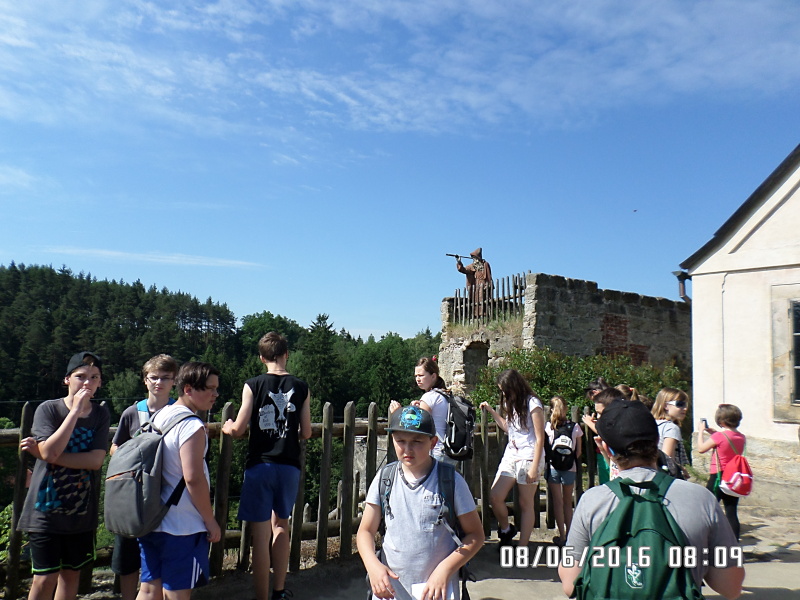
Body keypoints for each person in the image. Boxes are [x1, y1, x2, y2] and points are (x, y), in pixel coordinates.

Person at [558, 400, 744, 600]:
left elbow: (570, 584)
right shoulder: (700, 499)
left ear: (606, 447)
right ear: (656, 442)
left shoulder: (592, 501)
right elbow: (731, 587)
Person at [357, 405, 484, 600]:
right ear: (392, 440)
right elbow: (365, 531)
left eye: (417, 441)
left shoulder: (451, 481)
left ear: (433, 442)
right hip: (391, 591)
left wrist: (445, 569)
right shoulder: (385, 478)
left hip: (436, 591)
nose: (408, 449)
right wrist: (373, 566)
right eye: (401, 441)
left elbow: (475, 535)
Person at [222, 332, 312, 600]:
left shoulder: (253, 385)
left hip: (260, 464)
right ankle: (279, 591)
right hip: (289, 465)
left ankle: (261, 596)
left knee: (260, 536)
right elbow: (306, 432)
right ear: (287, 354)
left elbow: (239, 428)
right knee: (281, 525)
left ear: (262, 358)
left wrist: (228, 427)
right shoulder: (302, 387)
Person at [17, 351, 111, 600]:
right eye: (81, 376)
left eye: (94, 377)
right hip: (45, 511)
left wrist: (45, 454)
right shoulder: (49, 409)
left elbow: (95, 461)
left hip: (81, 513)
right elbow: (51, 451)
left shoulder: (100, 415)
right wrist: (75, 412)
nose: (87, 382)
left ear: (100, 382)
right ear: (67, 379)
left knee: (71, 576)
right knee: (44, 578)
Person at [137, 362, 222, 600]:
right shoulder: (191, 426)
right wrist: (210, 520)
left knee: (148, 589)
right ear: (188, 389)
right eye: (210, 388)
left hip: (152, 518)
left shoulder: (160, 416)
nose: (215, 394)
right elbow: (193, 478)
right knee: (177, 592)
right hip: (182, 526)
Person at [110, 354, 179, 600]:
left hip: (165, 493)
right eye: (154, 377)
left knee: (161, 552)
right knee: (128, 552)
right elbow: (115, 447)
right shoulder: (132, 412)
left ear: (174, 381)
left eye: (165, 378)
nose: (159, 382)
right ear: (145, 380)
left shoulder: (179, 412)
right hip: (133, 496)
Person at [479, 369, 545, 549]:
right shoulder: (512, 404)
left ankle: (522, 547)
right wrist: (492, 411)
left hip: (529, 456)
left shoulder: (533, 403)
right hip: (511, 455)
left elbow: (540, 437)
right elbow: (509, 428)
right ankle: (507, 530)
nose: (503, 393)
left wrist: (534, 467)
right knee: (495, 496)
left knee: (525, 503)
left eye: (504, 389)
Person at [391, 356, 455, 466]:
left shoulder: (429, 397)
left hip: (436, 452)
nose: (417, 379)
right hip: (448, 450)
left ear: (433, 376)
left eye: (421, 375)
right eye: (416, 376)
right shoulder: (444, 395)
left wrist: (397, 413)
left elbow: (417, 425)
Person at [696, 404, 746, 540]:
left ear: (721, 421)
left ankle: (704, 539)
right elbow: (727, 443)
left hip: (718, 476)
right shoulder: (741, 437)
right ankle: (734, 544)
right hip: (733, 478)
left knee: (707, 509)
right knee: (731, 512)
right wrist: (714, 434)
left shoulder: (719, 436)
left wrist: (701, 432)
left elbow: (701, 448)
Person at [544, 396, 582, 546]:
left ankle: (562, 536)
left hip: (554, 467)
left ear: (551, 409)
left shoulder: (549, 427)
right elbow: (578, 452)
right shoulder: (575, 427)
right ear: (565, 409)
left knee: (557, 502)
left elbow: (546, 449)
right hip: (570, 468)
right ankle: (570, 535)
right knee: (567, 502)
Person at [581, 386, 623, 483]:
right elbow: (613, 465)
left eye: (600, 413)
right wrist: (603, 449)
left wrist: (590, 423)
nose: (598, 417)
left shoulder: (619, 436)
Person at [651, 387, 690, 478]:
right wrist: (681, 469)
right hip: (665, 478)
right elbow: (667, 459)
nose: (685, 408)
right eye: (680, 404)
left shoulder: (651, 424)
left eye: (686, 405)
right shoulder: (671, 428)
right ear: (665, 405)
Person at [455, 248, 493, 316]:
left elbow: (489, 276)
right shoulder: (472, 266)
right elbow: (463, 270)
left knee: (483, 300)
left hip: (484, 285)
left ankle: (484, 314)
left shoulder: (485, 264)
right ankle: (476, 315)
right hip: (476, 286)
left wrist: (489, 284)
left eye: (475, 258)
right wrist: (459, 262)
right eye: (473, 258)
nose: (474, 260)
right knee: (475, 300)